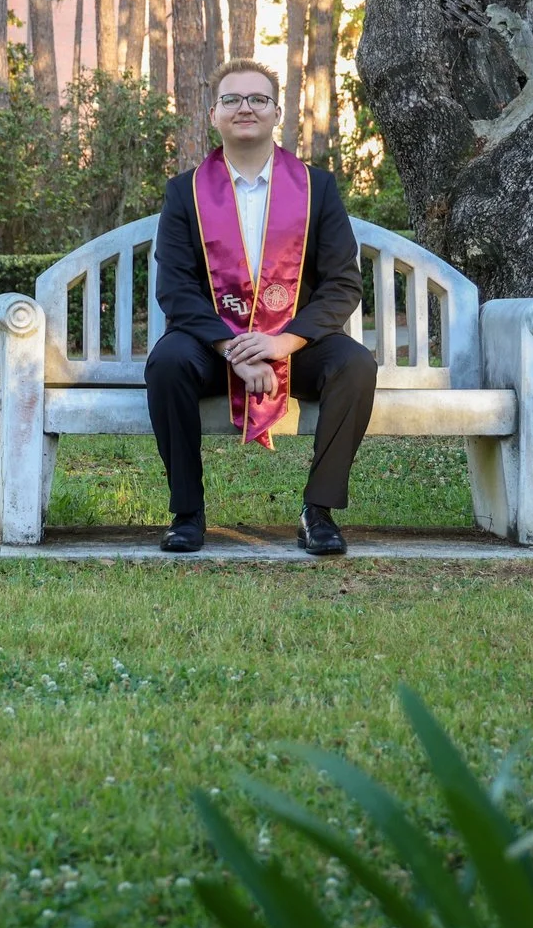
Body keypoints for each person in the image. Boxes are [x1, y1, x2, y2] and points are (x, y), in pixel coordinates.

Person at [145, 59, 377, 556]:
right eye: (231, 99)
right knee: (167, 363)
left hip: (293, 341)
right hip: (212, 344)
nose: (244, 107)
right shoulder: (184, 193)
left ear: (276, 113)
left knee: (355, 365)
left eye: (257, 99)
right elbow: (176, 288)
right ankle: (187, 514)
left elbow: (342, 283)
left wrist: (279, 342)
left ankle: (318, 512)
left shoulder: (318, 189)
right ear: (213, 114)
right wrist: (234, 347)